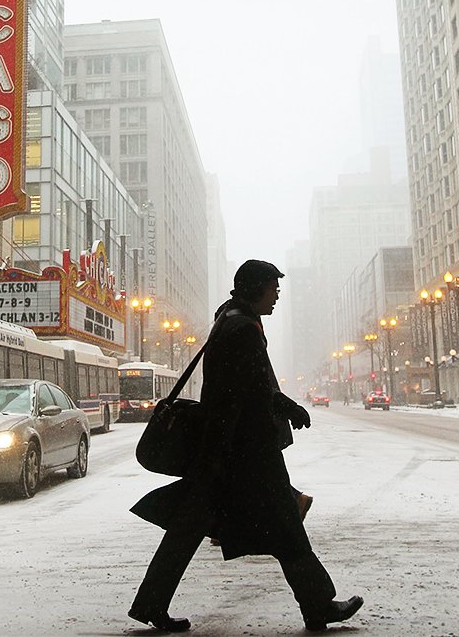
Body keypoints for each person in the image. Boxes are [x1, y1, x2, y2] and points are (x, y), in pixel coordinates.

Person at [129, 260, 363, 632]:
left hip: (227, 448)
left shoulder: (232, 319)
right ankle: (318, 605)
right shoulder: (241, 327)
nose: (277, 295)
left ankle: (151, 603)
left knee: (193, 527)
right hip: (242, 450)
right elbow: (250, 387)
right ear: (255, 288)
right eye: (273, 288)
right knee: (283, 526)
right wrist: (286, 405)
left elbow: (246, 385)